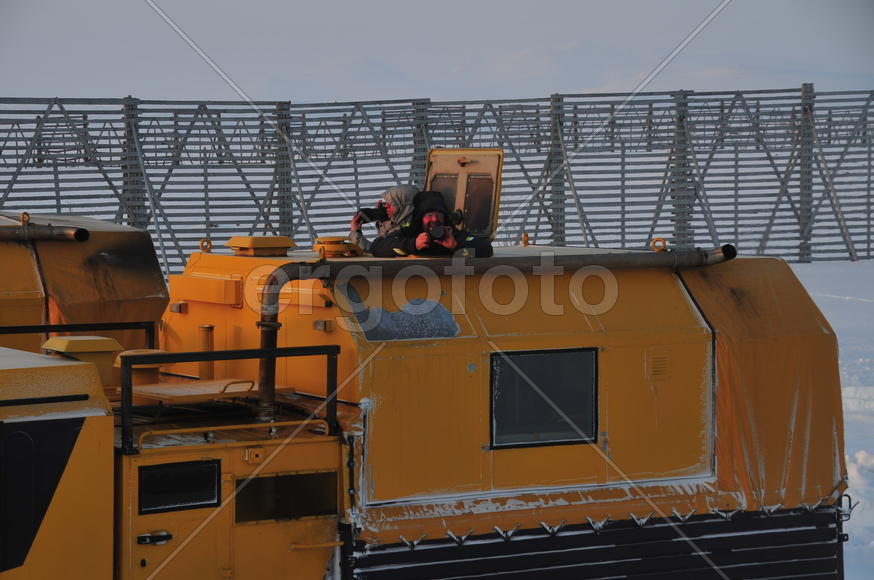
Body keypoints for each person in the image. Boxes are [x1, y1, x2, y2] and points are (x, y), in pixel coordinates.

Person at [369, 190, 493, 258]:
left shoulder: (453, 235)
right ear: (420, 219)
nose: (434, 219)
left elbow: (486, 249)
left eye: (438, 214)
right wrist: (413, 244)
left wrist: (456, 246)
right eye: (428, 215)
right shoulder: (409, 233)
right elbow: (376, 247)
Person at [349, 185, 417, 252]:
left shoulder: (407, 230)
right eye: (386, 203)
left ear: (405, 208)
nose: (386, 206)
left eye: (391, 204)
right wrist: (382, 222)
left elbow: (375, 249)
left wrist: (355, 233)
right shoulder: (402, 224)